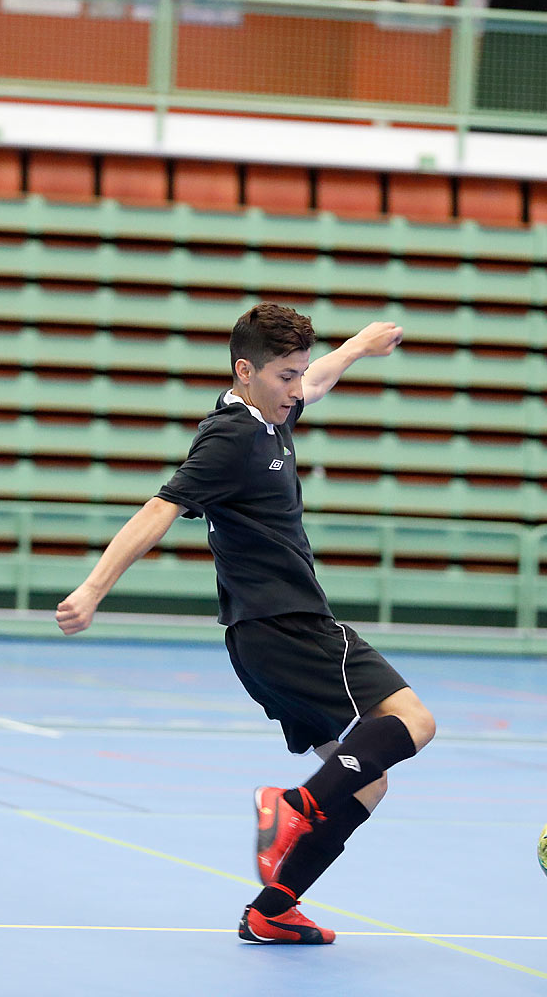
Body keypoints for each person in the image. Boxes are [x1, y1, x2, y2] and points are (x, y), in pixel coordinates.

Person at [55, 303, 436, 945]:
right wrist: (93, 589)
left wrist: (359, 347)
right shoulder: (231, 437)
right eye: (285, 375)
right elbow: (160, 507)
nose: (298, 388)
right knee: (413, 722)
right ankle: (294, 806)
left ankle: (272, 908)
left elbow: (318, 379)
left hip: (259, 639)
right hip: (288, 624)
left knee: (364, 785)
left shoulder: (274, 413)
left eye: (299, 374)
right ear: (245, 372)